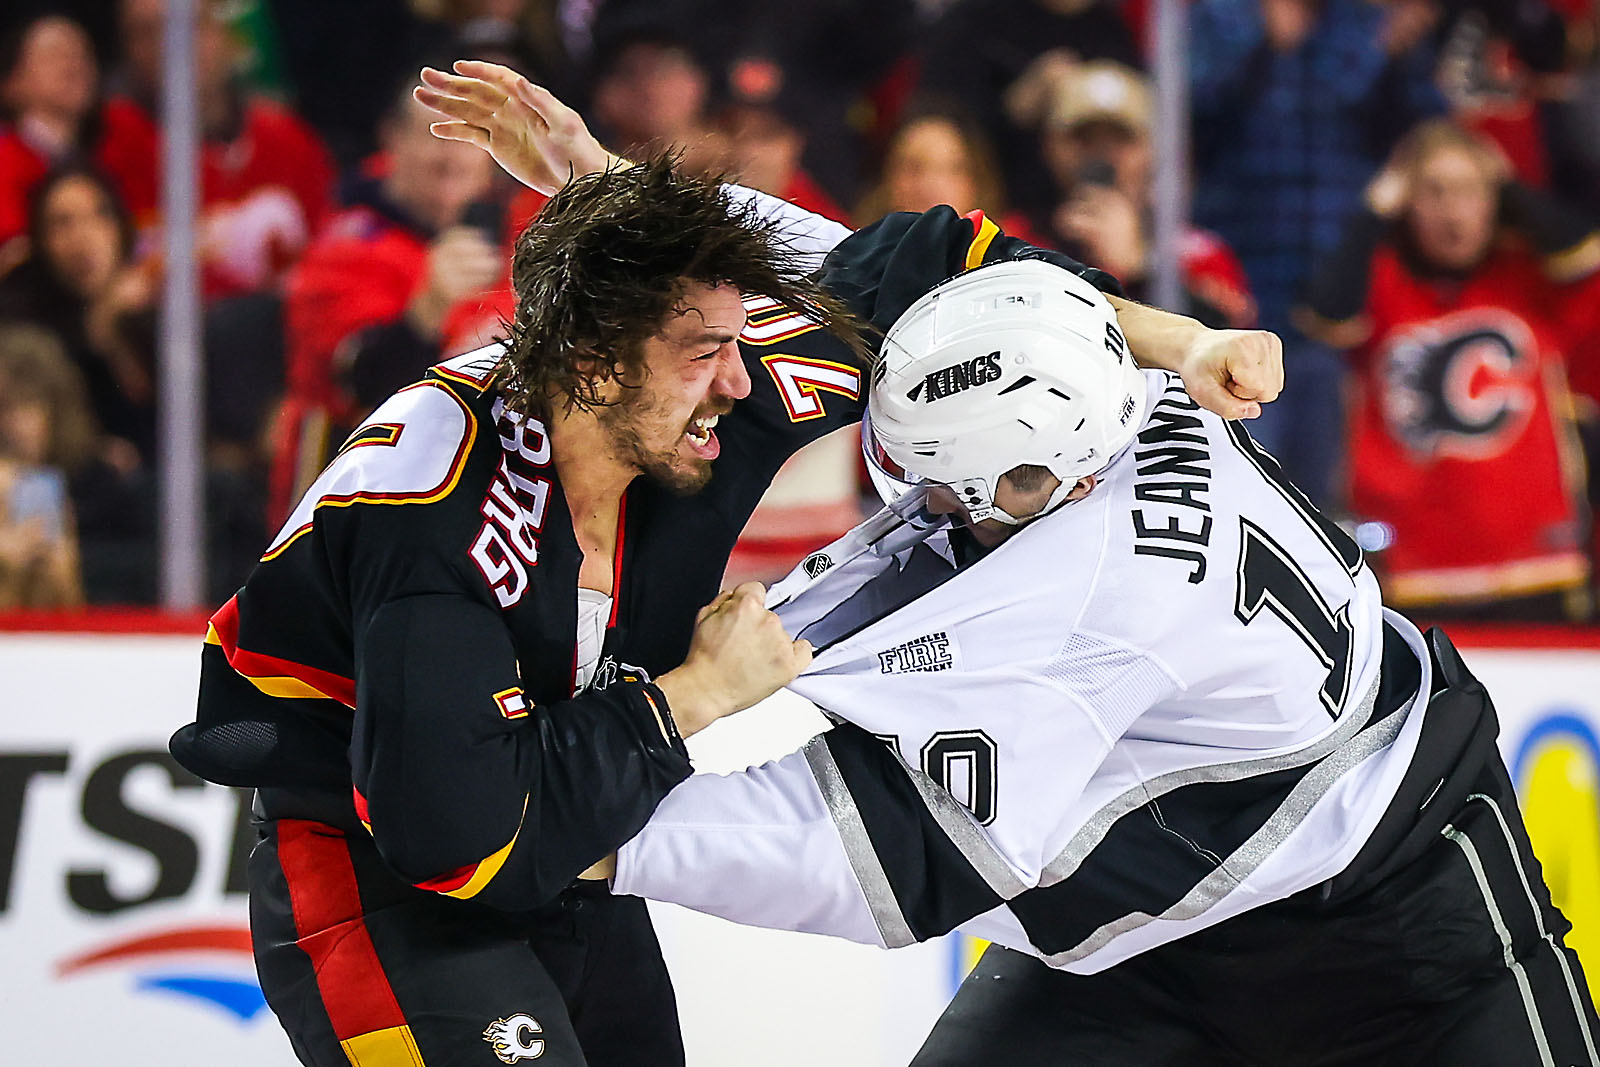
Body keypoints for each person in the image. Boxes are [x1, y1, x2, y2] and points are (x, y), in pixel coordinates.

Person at [169, 61, 1283, 1067]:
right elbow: (457, 840)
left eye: (738, 340)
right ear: (593, 367)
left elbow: (950, 270)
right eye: (706, 353)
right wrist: (692, 696)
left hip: (565, 823)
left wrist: (1187, 344)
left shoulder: (714, 390)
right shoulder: (435, 518)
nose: (745, 385)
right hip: (381, 868)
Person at [603, 258, 1599, 1064]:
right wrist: (614, 191)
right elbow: (918, 277)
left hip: (1404, 936)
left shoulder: (1085, 604)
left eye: (947, 489)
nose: (920, 507)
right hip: (1151, 946)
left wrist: (587, 833)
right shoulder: (1130, 380)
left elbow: (883, 852)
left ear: (1036, 479)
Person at [1300, 119, 1600, 621]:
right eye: (1433, 192)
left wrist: (1507, 184)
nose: (1453, 213)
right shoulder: (1383, 281)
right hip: (1418, 569)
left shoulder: (1528, 274)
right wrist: (1372, 212)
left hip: (1536, 565)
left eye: (1470, 191)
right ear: (1405, 202)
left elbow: (1585, 252)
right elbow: (1325, 316)